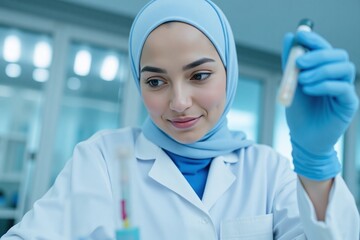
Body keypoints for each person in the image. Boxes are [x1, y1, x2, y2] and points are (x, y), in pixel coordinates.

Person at [2, 0, 359, 239]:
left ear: (228, 73)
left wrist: (317, 164)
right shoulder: (103, 160)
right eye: (156, 82)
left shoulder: (268, 172)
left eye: (199, 76)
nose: (179, 102)